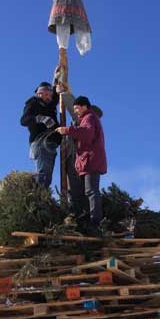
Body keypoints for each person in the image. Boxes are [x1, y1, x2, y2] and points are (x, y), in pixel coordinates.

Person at [57, 95, 107, 231]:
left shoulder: (89, 118)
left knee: (91, 191)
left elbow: (86, 133)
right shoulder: (86, 119)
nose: (76, 111)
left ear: (85, 107)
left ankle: (94, 222)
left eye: (77, 108)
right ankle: (86, 220)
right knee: (86, 191)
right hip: (87, 161)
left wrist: (67, 130)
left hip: (91, 160)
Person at [20, 81, 60, 188]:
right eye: (46, 94)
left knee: (47, 176)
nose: (49, 97)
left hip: (51, 142)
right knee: (43, 175)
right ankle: (40, 200)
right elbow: (24, 120)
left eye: (50, 95)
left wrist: (57, 80)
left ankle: (41, 197)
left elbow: (56, 95)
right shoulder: (33, 103)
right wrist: (40, 118)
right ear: (39, 94)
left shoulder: (50, 104)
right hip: (40, 143)